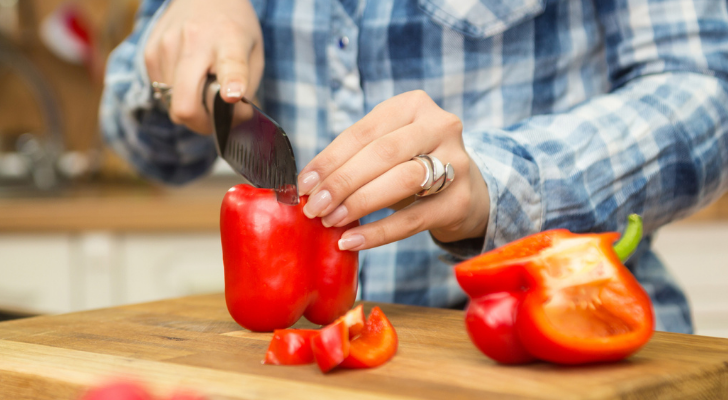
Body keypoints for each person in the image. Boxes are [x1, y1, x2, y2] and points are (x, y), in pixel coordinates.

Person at [101, 0, 728, 334]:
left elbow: (705, 90)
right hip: (300, 368)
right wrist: (175, 42)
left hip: (553, 340)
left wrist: (499, 181)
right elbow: (151, 152)